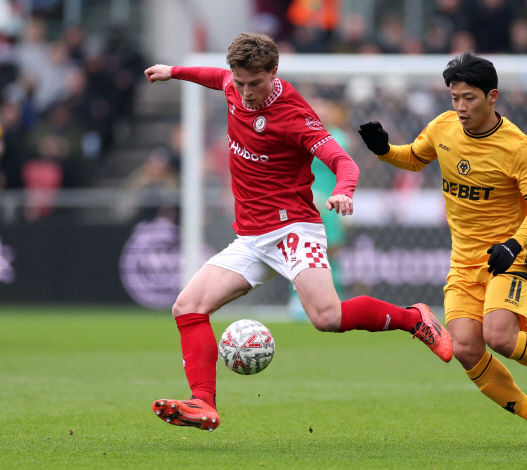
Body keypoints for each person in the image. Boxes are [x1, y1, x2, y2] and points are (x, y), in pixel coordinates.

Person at [143, 32, 452, 432]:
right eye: (241, 83)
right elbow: (215, 76)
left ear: (274, 72)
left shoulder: (294, 115)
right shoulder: (232, 85)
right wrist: (175, 71)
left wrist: (343, 191)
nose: (247, 92)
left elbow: (343, 161)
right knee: (187, 307)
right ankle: (203, 402)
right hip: (252, 238)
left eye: (256, 83)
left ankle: (414, 319)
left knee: (326, 317)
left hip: (294, 228)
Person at [358, 52, 527, 449]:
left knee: (500, 337)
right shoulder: (443, 128)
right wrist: (385, 149)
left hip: (511, 254)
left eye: (469, 98)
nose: (460, 107)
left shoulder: (519, 147)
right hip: (464, 260)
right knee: (467, 347)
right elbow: (415, 159)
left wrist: (514, 244)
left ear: (492, 97)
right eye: (454, 97)